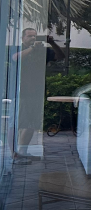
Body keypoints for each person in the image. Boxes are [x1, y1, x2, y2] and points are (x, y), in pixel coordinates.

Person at [12, 28, 66, 162]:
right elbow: (15, 58)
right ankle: (15, 154)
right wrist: (32, 48)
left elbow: (60, 57)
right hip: (21, 92)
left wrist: (52, 43)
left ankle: (23, 152)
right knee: (20, 123)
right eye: (29, 36)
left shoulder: (43, 50)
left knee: (32, 123)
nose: (32, 38)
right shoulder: (19, 48)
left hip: (36, 91)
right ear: (23, 38)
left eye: (35, 36)